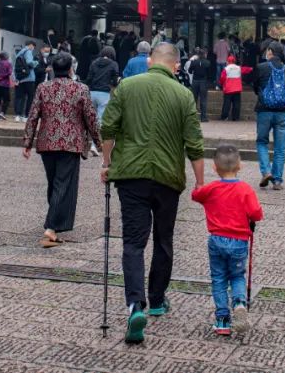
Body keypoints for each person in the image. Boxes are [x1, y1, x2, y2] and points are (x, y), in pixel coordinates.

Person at [100, 42, 205, 344]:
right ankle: (157, 299)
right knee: (163, 239)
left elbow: (108, 128)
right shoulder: (184, 95)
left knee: (133, 242)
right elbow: (194, 144)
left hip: (131, 175)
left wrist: (107, 164)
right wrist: (200, 183)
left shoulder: (126, 87)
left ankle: (136, 305)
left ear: (149, 62)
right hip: (167, 177)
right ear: (175, 66)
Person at [22, 53, 101, 247]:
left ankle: (54, 223)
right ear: (70, 69)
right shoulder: (80, 88)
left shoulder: (43, 87)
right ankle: (51, 228)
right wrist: (99, 143)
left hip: (47, 141)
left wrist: (27, 142)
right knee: (63, 185)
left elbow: (33, 115)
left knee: (54, 183)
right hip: (70, 143)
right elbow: (91, 117)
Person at [191, 145, 264, 336]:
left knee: (219, 278)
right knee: (237, 276)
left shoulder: (212, 188)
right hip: (239, 241)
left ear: (215, 168)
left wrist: (199, 186)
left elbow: (196, 195)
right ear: (240, 165)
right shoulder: (245, 190)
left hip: (216, 240)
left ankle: (222, 319)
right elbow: (256, 214)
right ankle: (239, 302)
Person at [251, 41, 285, 190]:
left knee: (262, 141)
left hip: (264, 110)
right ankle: (277, 180)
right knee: (280, 147)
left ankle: (266, 172)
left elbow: (255, 86)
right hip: (282, 112)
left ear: (270, 51)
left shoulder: (261, 67)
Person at [86, 46, 120, 123]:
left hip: (92, 92)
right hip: (104, 93)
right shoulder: (114, 64)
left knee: (91, 117)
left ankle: (90, 134)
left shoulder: (94, 62)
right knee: (100, 119)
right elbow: (115, 81)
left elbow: (89, 79)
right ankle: (98, 134)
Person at [218, 55, 252, 122]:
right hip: (237, 89)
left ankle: (224, 117)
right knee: (236, 104)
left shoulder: (226, 69)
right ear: (234, 61)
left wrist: (221, 85)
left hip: (228, 89)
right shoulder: (238, 68)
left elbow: (222, 78)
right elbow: (246, 69)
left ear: (228, 61)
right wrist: (251, 68)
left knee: (226, 104)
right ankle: (235, 117)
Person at [186, 47, 214, 122]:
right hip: (203, 81)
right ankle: (203, 117)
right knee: (203, 100)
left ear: (198, 55)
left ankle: (192, 117)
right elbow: (210, 74)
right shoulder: (207, 62)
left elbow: (190, 71)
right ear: (205, 54)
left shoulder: (194, 62)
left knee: (194, 100)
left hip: (195, 81)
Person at [14, 40, 38, 123]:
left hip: (20, 79)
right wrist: (36, 62)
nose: (33, 49)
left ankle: (17, 115)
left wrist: (16, 79)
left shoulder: (19, 53)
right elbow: (30, 63)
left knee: (19, 97)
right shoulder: (28, 52)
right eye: (33, 47)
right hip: (29, 78)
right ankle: (26, 116)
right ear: (31, 45)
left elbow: (16, 67)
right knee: (30, 97)